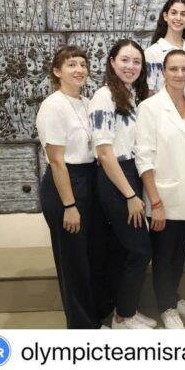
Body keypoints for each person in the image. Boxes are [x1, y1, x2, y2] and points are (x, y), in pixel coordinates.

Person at [88, 39, 156, 330]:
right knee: (140, 250)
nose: (131, 66)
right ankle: (122, 317)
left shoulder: (130, 95)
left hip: (130, 172)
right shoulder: (104, 97)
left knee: (124, 250)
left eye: (136, 62)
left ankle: (125, 309)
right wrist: (130, 195)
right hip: (116, 177)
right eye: (125, 60)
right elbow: (104, 153)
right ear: (112, 62)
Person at [135, 49, 185, 329]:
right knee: (163, 257)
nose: (180, 74)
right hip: (162, 195)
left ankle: (173, 296)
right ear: (163, 71)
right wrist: (156, 202)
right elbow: (144, 158)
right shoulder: (150, 107)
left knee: (179, 254)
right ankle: (167, 308)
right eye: (174, 69)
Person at [37, 46, 102, 329]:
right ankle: (82, 327)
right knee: (73, 261)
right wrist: (70, 205)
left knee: (91, 256)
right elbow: (56, 161)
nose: (79, 70)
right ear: (57, 71)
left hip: (89, 178)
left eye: (83, 64)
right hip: (65, 184)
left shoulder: (87, 102)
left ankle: (96, 316)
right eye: (71, 64)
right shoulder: (53, 106)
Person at [145, 0, 185, 99]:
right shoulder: (152, 52)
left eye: (183, 14)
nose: (178, 18)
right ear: (165, 16)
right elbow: (149, 92)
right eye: (174, 13)